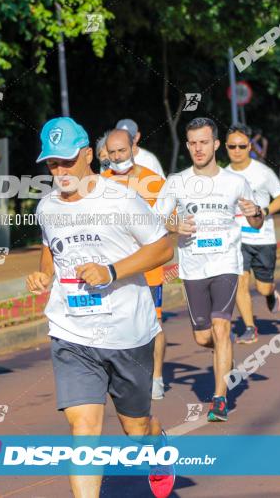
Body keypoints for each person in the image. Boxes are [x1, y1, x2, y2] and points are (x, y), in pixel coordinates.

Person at [26, 117, 175, 498]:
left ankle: (156, 447)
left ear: (89, 155)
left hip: (127, 331)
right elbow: (52, 250)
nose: (59, 171)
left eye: (66, 161)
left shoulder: (120, 198)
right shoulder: (47, 207)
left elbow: (162, 248)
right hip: (71, 331)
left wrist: (111, 271)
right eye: (52, 163)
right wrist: (44, 276)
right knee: (84, 428)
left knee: (136, 428)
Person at [154, 117, 262, 422]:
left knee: (221, 327)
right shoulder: (176, 181)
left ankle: (219, 399)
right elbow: (155, 218)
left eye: (204, 142)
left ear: (216, 144)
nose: (198, 148)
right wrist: (174, 224)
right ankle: (224, 353)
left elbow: (256, 220)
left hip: (226, 262)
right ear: (188, 145)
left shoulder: (235, 182)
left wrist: (257, 213)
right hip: (193, 267)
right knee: (204, 338)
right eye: (193, 143)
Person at [101, 128, 169, 400]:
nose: (118, 157)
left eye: (122, 150)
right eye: (113, 152)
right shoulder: (98, 183)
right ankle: (122, 377)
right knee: (118, 323)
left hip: (149, 267)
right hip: (115, 268)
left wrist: (179, 225)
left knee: (154, 323)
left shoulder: (153, 181)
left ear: (133, 148)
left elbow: (170, 220)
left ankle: (156, 378)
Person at [222, 124, 280, 344]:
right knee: (240, 283)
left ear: (249, 146)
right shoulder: (223, 175)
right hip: (237, 239)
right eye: (232, 146)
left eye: (242, 146)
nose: (237, 150)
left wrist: (265, 211)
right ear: (226, 147)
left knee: (262, 287)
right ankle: (250, 328)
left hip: (263, 238)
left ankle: (270, 293)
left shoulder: (262, 172)